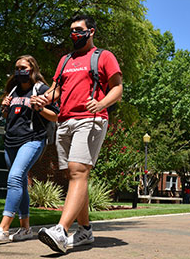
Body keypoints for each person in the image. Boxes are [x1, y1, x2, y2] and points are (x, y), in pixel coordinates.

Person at [32, 14, 123, 253]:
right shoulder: (65, 60)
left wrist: (102, 104)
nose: (74, 34)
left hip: (90, 120)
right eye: (71, 30)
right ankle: (85, 231)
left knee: (78, 171)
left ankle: (61, 230)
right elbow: (56, 91)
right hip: (64, 121)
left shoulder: (103, 56)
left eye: (79, 29)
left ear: (91, 31)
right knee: (74, 176)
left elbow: (118, 88)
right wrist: (43, 99)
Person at [0, 55, 59, 242]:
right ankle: (25, 229)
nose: (20, 71)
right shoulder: (13, 90)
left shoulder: (41, 89)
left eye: (24, 68)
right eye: (17, 68)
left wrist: (40, 108)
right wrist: (3, 108)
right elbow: (9, 116)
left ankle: (3, 228)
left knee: (15, 177)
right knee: (20, 183)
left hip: (33, 140)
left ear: (32, 69)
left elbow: (56, 116)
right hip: (11, 141)